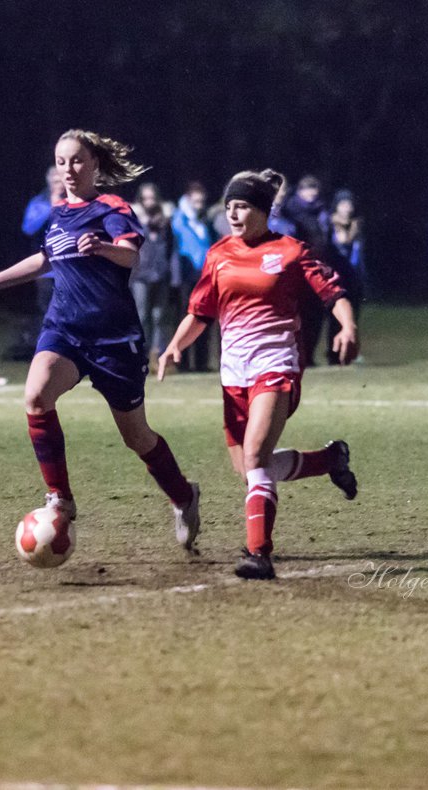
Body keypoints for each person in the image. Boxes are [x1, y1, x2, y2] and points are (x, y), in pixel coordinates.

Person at [0, 129, 202, 552]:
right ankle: (61, 497)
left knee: (137, 437)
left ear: (93, 165)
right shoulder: (56, 214)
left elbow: (131, 254)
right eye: (61, 162)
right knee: (36, 396)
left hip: (114, 338)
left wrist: (104, 247)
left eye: (76, 161)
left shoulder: (111, 207)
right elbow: (46, 259)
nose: (68, 170)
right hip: (65, 329)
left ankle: (183, 495)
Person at [159, 168, 359, 581]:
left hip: (277, 366)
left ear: (263, 210)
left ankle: (258, 553)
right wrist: (176, 344)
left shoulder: (290, 251)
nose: (232, 214)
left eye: (242, 206)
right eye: (229, 206)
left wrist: (348, 326)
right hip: (234, 374)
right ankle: (330, 458)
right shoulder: (218, 254)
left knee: (255, 457)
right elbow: (200, 312)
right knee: (251, 467)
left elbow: (332, 292)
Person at [9, 166, 65, 360]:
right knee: (46, 310)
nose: (58, 181)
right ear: (48, 179)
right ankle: (47, 352)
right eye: (54, 177)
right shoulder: (39, 202)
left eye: (61, 177)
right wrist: (53, 205)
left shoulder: (75, 201)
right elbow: (28, 228)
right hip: (45, 269)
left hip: (69, 267)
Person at [277, 175, 329, 366]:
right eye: (307, 188)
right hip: (297, 269)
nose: (311, 192)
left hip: (317, 267)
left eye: (314, 188)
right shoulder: (291, 212)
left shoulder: (322, 212)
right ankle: (295, 355)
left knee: (315, 314)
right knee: (297, 315)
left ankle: (308, 355)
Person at [171, 181, 214, 372]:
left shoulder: (203, 220)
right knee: (185, 319)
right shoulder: (178, 219)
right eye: (196, 201)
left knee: (203, 319)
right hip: (186, 276)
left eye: (202, 202)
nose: (200, 205)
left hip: (203, 275)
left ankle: (202, 362)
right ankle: (183, 362)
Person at [129, 182, 174, 364]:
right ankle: (140, 354)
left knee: (159, 316)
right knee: (141, 315)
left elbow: (171, 248)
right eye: (146, 198)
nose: (150, 202)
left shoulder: (164, 222)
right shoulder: (134, 221)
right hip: (140, 275)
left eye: (152, 198)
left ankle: (157, 354)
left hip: (161, 274)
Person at [322, 188, 367, 365]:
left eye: (349, 204)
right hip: (336, 278)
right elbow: (341, 242)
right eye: (343, 204)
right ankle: (333, 354)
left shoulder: (357, 226)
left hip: (354, 278)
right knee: (336, 318)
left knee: (353, 317)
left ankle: (350, 353)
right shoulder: (330, 225)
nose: (347, 208)